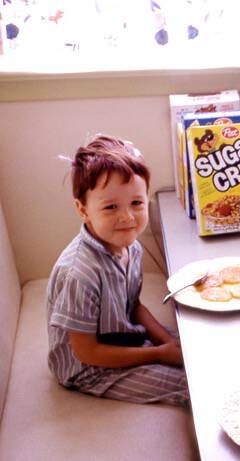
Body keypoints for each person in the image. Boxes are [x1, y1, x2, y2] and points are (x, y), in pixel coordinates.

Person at [47, 135, 189, 405]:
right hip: (89, 369)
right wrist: (159, 353)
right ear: (83, 210)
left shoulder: (130, 245)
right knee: (190, 387)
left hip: (123, 336)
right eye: (111, 207)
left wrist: (167, 342)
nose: (127, 217)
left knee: (196, 350)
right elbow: (88, 352)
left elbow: (133, 306)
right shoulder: (80, 274)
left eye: (136, 203)